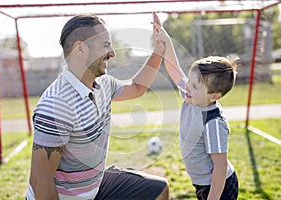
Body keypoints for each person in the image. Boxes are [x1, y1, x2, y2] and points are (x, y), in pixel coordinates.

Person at [26, 14, 169, 200]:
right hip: (66, 197)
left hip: (95, 187)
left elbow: (137, 87)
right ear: (80, 48)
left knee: (158, 190)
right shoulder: (56, 106)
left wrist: (159, 49)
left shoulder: (103, 84)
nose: (112, 52)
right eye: (105, 45)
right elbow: (40, 182)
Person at [153, 13, 238, 200]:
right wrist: (166, 39)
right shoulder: (193, 95)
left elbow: (220, 167)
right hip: (203, 183)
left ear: (214, 96)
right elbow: (174, 68)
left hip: (218, 188)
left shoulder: (213, 123)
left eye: (194, 85)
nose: (186, 86)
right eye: (189, 81)